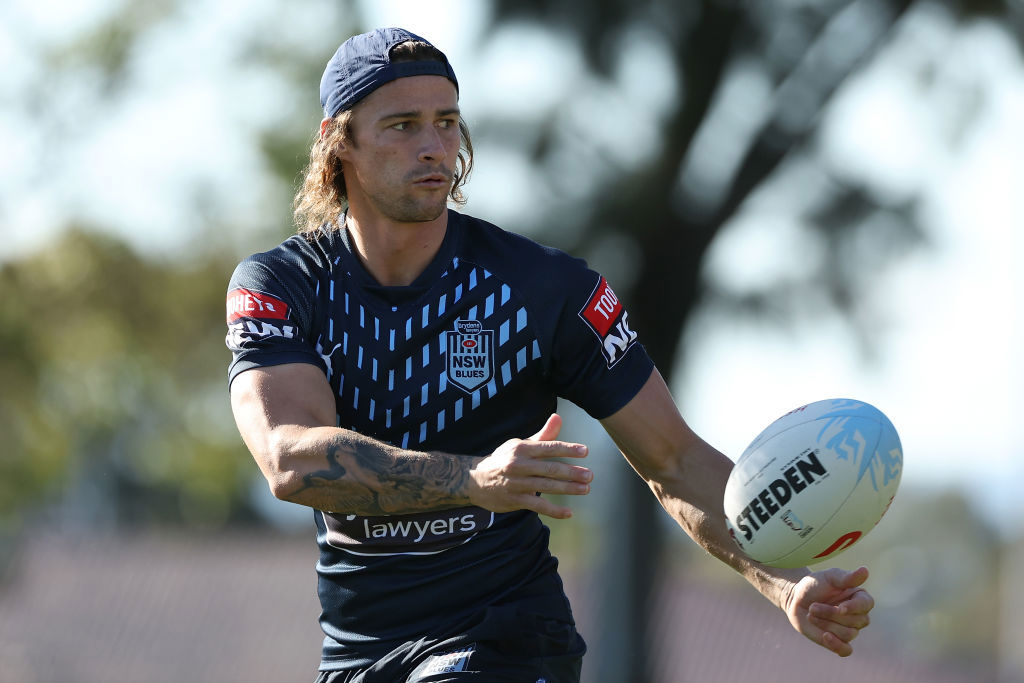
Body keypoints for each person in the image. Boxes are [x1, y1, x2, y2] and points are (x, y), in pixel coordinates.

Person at [225, 27, 874, 683]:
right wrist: (474, 479)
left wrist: (785, 582)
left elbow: (674, 459)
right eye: (401, 125)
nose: (433, 146)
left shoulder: (546, 288)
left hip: (504, 640)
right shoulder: (283, 286)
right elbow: (287, 456)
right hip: (359, 655)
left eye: (447, 122)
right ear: (342, 143)